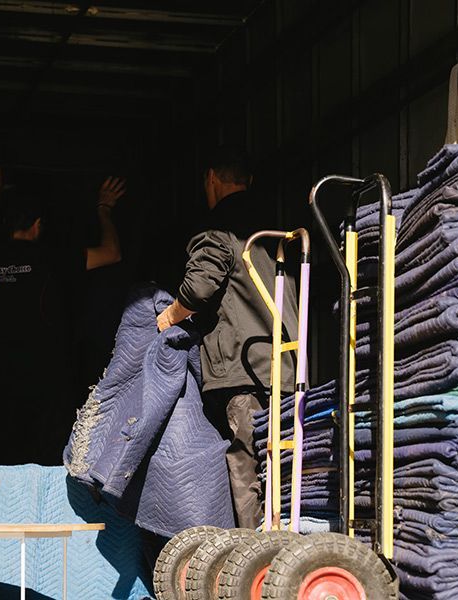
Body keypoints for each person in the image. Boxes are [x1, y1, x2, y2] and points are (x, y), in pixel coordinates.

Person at [156, 146, 298, 529]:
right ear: (249, 181)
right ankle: (287, 538)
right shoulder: (277, 226)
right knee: (284, 465)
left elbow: (198, 288)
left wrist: (168, 316)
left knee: (245, 461)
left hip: (242, 369)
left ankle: (253, 551)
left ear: (211, 179)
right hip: (286, 367)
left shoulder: (218, 229)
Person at [0, 177, 127, 464]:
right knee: (48, 455)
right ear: (38, 225)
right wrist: (104, 209)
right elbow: (111, 253)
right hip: (48, 379)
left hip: (1, 378)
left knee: (6, 455)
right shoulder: (51, 257)